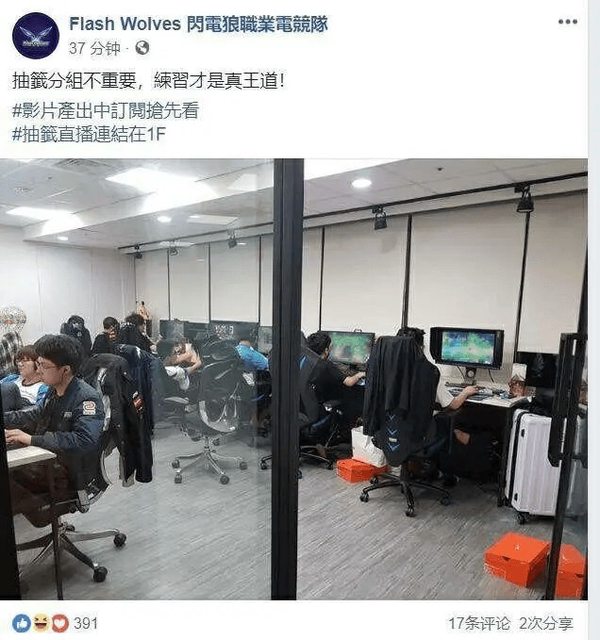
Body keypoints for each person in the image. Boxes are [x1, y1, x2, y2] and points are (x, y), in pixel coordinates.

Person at [4, 334, 105, 525]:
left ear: (65, 369)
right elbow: (34, 413)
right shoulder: (54, 389)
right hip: (50, 463)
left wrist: (32, 440)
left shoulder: (86, 398)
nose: (39, 370)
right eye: (38, 364)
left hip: (68, 476)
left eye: (43, 365)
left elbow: (84, 440)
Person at [306, 331, 365, 403]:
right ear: (326, 350)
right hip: (327, 401)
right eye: (330, 347)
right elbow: (349, 382)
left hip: (312, 400)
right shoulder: (327, 365)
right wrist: (360, 374)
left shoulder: (307, 360)